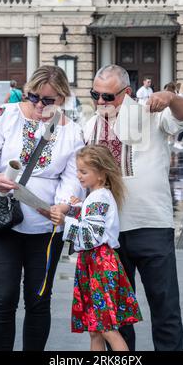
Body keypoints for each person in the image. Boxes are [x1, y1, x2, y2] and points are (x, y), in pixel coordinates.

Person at [0, 65, 85, 351]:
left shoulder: (73, 132)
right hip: (3, 222)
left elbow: (72, 179)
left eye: (48, 101)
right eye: (34, 97)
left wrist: (63, 205)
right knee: (4, 298)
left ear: (63, 99)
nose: (39, 106)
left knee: (38, 300)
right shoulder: (5, 116)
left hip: (46, 227)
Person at [84, 64, 183, 351]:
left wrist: (170, 98)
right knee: (118, 316)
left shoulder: (149, 112)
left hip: (151, 225)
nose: (100, 102)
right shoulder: (90, 125)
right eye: (95, 95)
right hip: (109, 234)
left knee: (165, 308)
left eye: (108, 97)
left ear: (127, 92)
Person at [50, 145, 142, 351]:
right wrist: (78, 209)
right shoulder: (97, 196)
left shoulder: (98, 198)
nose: (78, 176)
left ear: (101, 174)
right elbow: (93, 224)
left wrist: (66, 220)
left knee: (106, 328)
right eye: (78, 171)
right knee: (96, 329)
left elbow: (92, 236)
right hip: (95, 264)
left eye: (84, 172)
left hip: (99, 264)